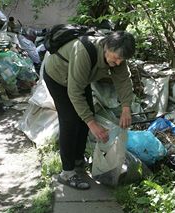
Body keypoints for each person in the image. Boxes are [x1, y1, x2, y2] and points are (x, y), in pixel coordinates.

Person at [43, 30, 136, 190]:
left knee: (87, 116)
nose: (119, 62)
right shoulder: (83, 51)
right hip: (57, 77)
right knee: (70, 120)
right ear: (107, 46)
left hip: (80, 80)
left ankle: (78, 160)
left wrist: (126, 107)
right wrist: (92, 124)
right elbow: (74, 93)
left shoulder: (117, 54)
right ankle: (67, 172)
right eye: (117, 58)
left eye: (122, 59)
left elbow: (123, 80)